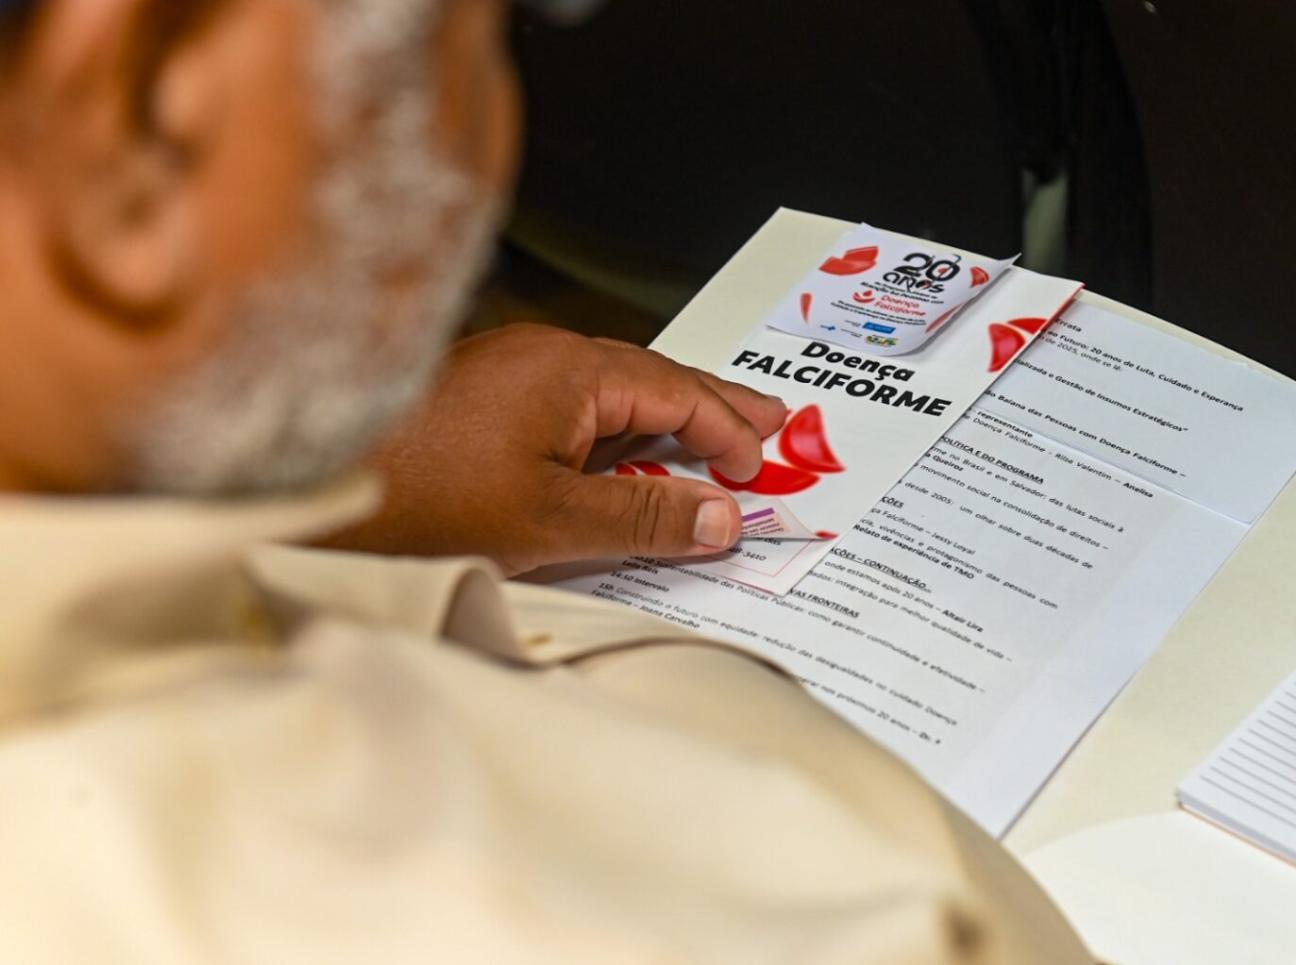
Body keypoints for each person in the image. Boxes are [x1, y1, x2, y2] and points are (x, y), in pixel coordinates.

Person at [0, 0, 1092, 961]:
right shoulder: (780, 909)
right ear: (139, 110)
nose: (489, 135)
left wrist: (367, 487)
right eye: (460, 42)